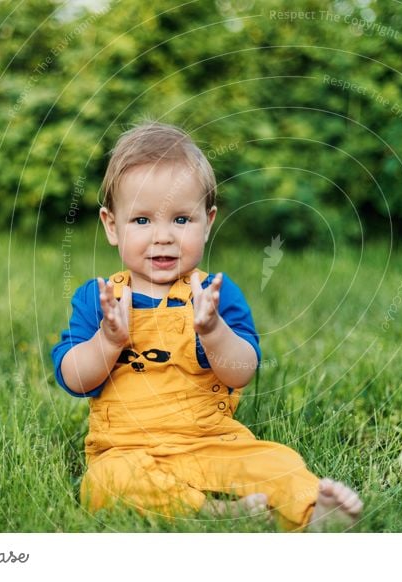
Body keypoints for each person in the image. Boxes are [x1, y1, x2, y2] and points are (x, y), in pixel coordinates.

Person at [52, 122, 362, 531]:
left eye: (181, 219)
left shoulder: (213, 294)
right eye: (142, 221)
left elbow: (241, 371)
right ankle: (212, 512)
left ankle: (314, 512)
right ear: (112, 226)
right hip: (125, 448)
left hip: (211, 440)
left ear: (207, 221)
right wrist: (107, 341)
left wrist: (213, 329)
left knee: (275, 461)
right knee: (105, 483)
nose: (163, 237)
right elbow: (74, 377)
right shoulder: (100, 299)